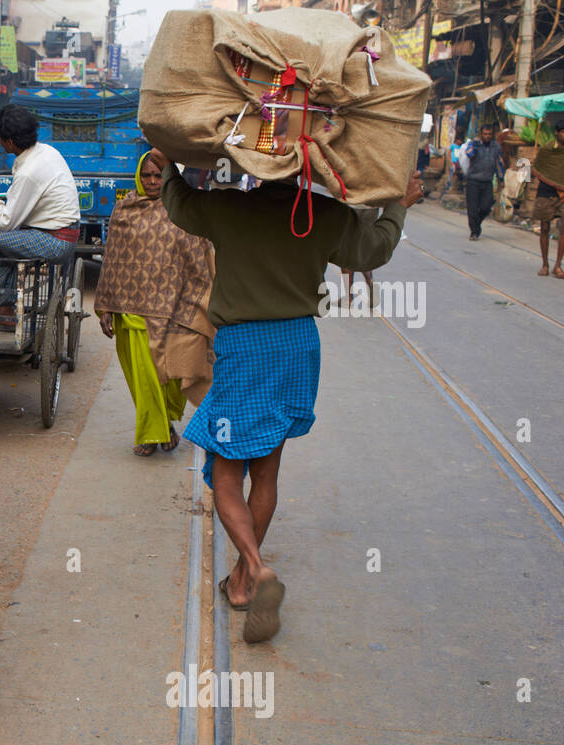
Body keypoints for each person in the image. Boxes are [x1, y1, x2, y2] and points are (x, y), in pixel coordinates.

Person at [159, 156, 424, 643]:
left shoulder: (227, 208)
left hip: (245, 347)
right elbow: (375, 250)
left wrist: (167, 164)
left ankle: (257, 569)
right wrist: (399, 206)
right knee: (266, 469)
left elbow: (177, 204)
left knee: (224, 471)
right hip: (299, 346)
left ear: (253, 166)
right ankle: (240, 583)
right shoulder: (324, 214)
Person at [95, 148, 215, 457]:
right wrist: (106, 303)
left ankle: (163, 428)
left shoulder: (182, 211)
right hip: (131, 310)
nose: (151, 180)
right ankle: (154, 434)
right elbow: (113, 260)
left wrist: (199, 303)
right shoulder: (123, 210)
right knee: (144, 377)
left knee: (168, 377)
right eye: (146, 174)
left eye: (157, 175)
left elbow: (199, 259)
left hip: (171, 309)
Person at [0, 104, 80, 307]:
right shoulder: (45, 152)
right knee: (0, 243)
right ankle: (4, 308)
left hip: (56, 240)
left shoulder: (29, 172)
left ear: (9, 142)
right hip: (56, 232)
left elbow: (4, 223)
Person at [532, 121, 564, 279]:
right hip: (546, 193)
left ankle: (558, 265)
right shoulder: (546, 150)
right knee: (544, 228)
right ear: (557, 133)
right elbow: (539, 168)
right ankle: (545, 264)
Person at [463, 124, 504, 240]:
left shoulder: (495, 147)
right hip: (473, 181)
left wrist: (501, 178)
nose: (487, 136)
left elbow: (498, 163)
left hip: (487, 181)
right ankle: (474, 232)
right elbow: (469, 154)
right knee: (472, 208)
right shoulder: (474, 144)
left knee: (486, 206)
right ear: (481, 134)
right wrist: (475, 145)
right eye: (485, 134)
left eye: (489, 134)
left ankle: (477, 223)